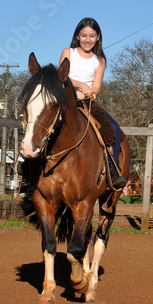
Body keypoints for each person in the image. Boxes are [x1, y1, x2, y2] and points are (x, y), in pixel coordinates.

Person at [59, 17, 127, 190]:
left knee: (114, 127)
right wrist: (80, 86)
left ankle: (113, 168)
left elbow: (96, 86)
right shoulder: (68, 52)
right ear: (77, 36)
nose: (87, 39)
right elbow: (62, 76)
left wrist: (89, 93)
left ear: (98, 37)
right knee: (43, 120)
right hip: (65, 98)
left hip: (86, 102)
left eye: (91, 36)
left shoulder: (100, 60)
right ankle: (32, 161)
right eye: (83, 35)